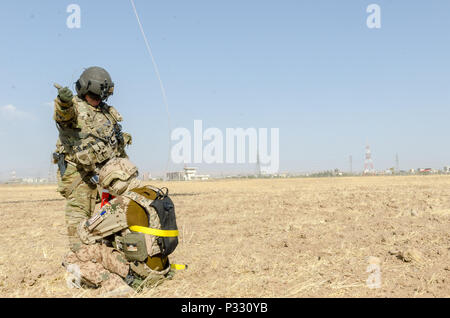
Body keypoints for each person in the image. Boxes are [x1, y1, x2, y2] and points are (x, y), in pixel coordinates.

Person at [62, 158, 180, 293]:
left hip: (141, 273)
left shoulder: (122, 203)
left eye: (107, 186)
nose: (108, 190)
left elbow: (86, 234)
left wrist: (85, 221)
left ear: (114, 181)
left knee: (71, 257)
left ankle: (114, 285)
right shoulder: (156, 194)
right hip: (162, 267)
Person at [53, 67, 132, 252]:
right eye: (94, 96)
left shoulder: (106, 112)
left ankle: (114, 252)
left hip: (107, 173)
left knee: (118, 214)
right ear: (84, 91)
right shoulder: (73, 107)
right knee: (79, 220)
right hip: (79, 174)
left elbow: (115, 141)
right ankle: (80, 262)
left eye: (101, 97)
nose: (98, 101)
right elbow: (64, 116)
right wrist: (63, 103)